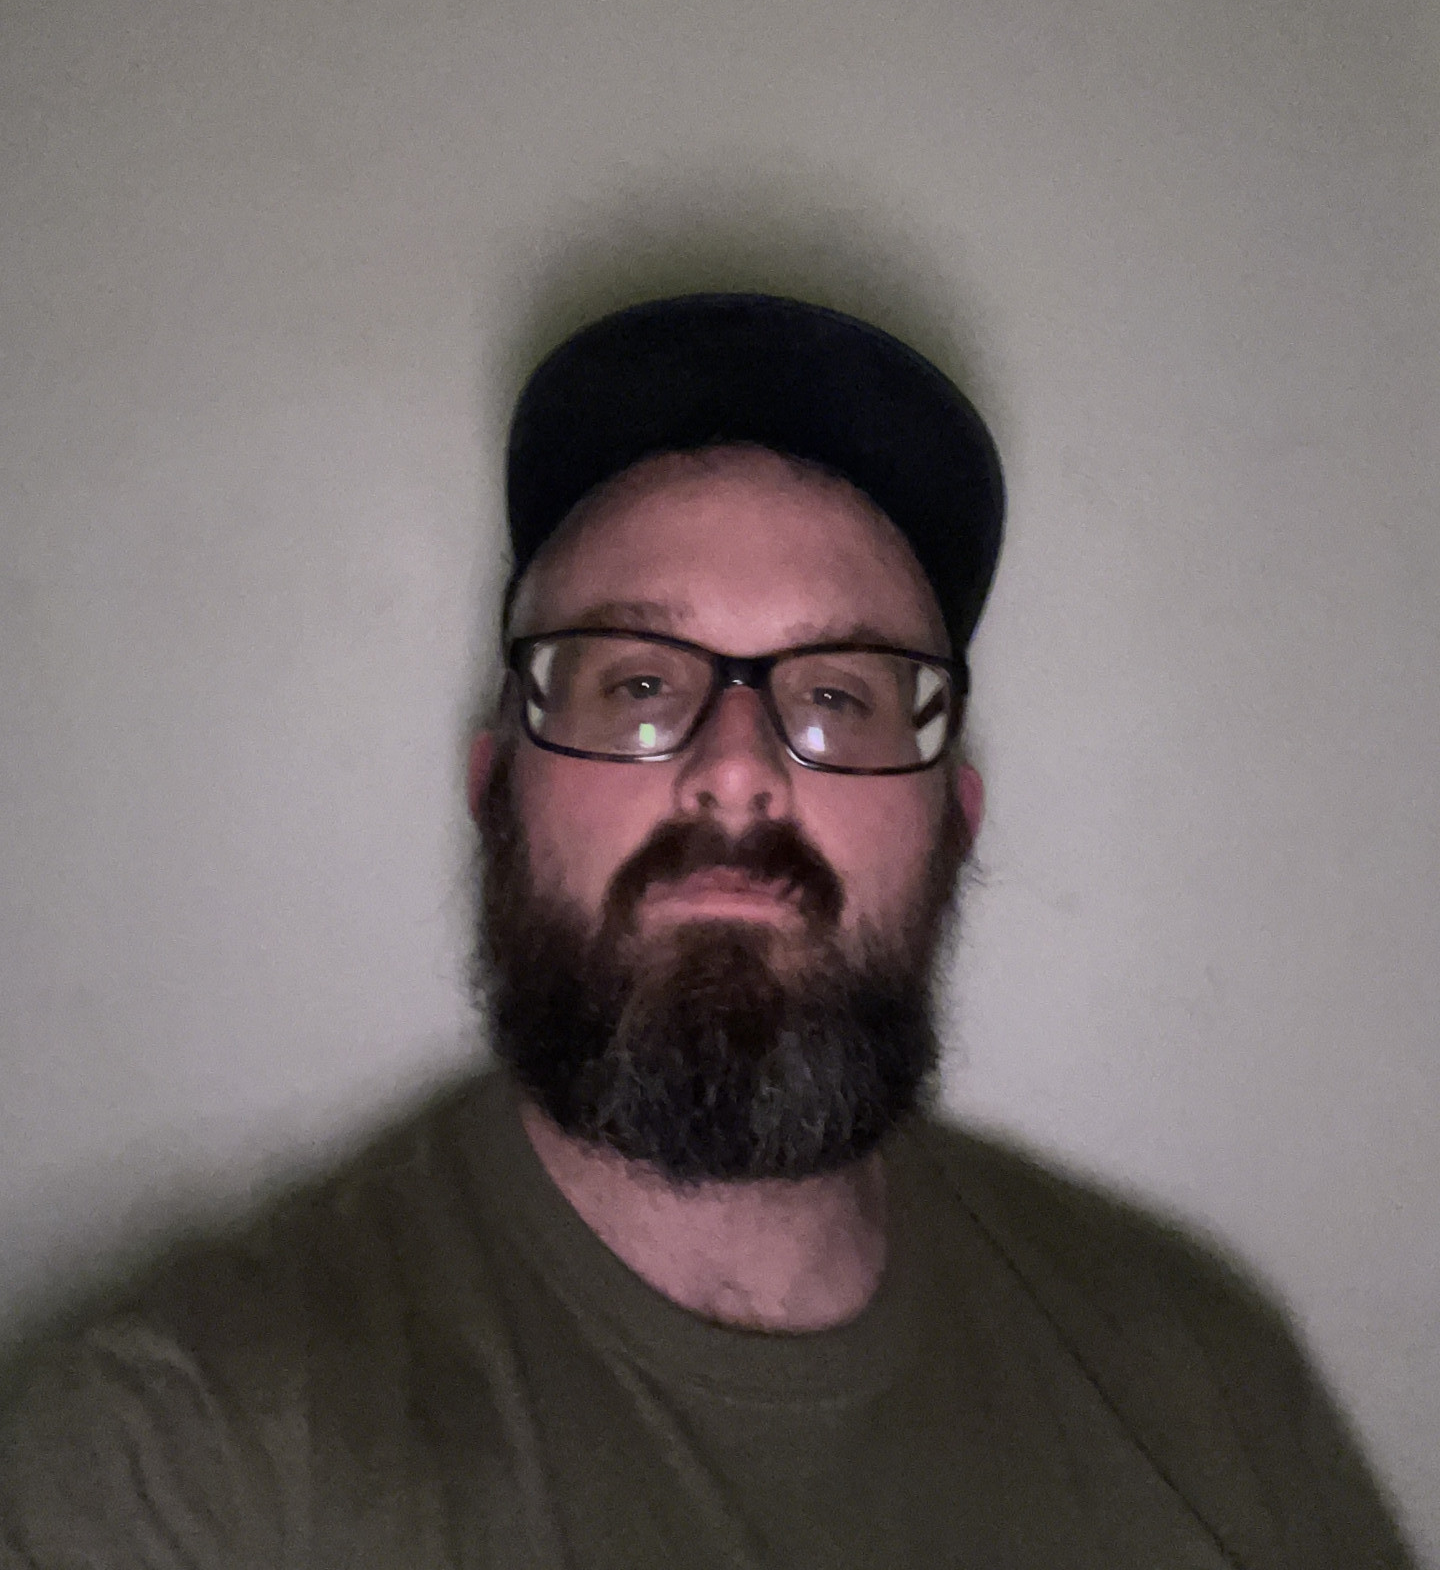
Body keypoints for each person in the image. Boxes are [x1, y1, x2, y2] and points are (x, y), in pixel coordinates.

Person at [0, 291, 1414, 1568]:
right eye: (636, 683)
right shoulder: (175, 1460)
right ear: (494, 791)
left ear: (957, 824)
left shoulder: (1211, 1381)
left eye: (840, 696)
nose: (736, 772)